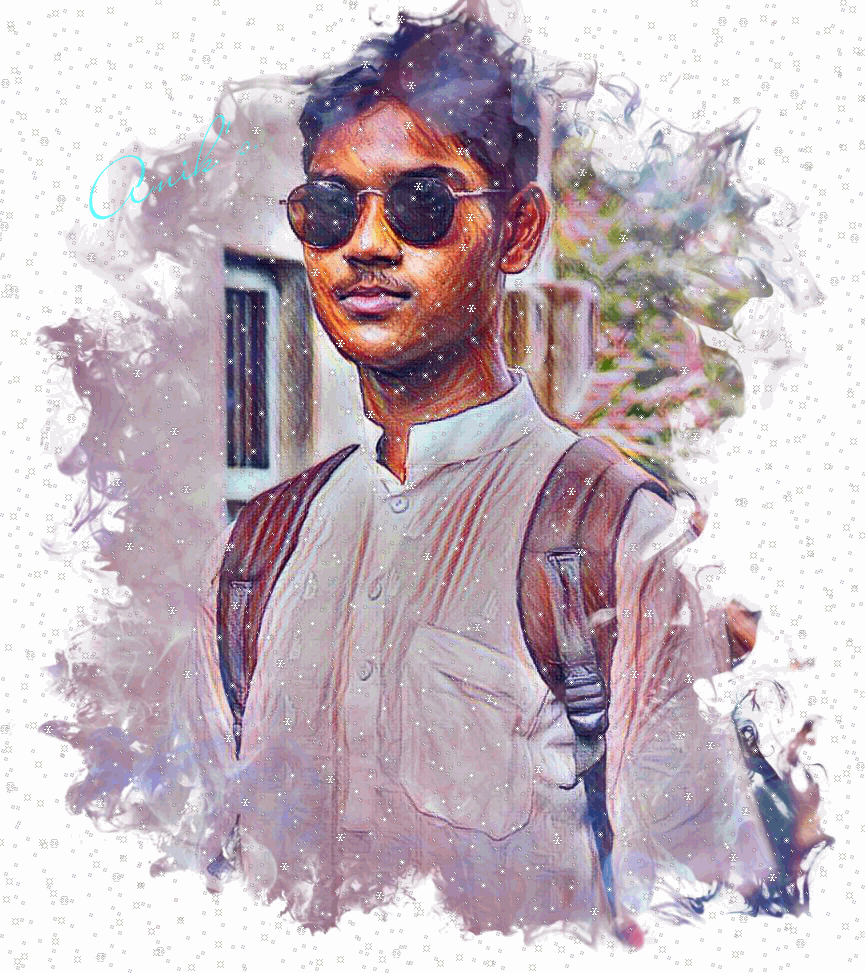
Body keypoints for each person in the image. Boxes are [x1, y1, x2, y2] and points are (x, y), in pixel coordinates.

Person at [175, 6, 776, 941]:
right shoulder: (252, 554)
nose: (366, 243)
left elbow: (695, 917)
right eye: (331, 208)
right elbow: (185, 892)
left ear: (518, 230)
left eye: (421, 203)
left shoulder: (612, 538)